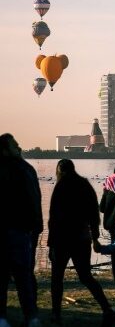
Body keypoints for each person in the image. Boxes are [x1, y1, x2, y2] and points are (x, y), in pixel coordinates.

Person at [47, 159, 115, 326]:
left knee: (57, 277)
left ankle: (56, 314)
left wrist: (50, 243)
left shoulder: (60, 186)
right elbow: (94, 214)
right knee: (86, 276)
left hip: (61, 239)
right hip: (81, 238)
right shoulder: (84, 185)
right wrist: (95, 238)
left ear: (59, 170)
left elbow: (53, 217)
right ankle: (107, 309)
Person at [0, 133, 42, 327]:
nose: (19, 148)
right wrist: (36, 227)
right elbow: (35, 199)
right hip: (21, 231)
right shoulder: (26, 169)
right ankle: (31, 317)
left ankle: (2, 318)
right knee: (24, 277)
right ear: (5, 150)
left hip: (10, 230)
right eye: (14, 145)